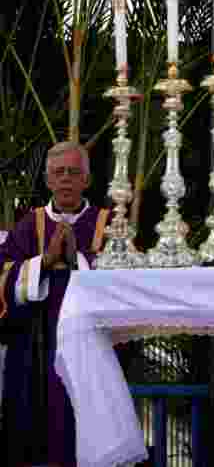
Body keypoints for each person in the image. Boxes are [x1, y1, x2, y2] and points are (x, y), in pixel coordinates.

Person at [0, 142, 110, 467]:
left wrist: (77, 259)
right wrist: (44, 262)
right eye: (58, 172)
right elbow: (3, 277)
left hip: (92, 352)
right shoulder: (27, 224)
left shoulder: (107, 223)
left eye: (74, 172)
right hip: (34, 351)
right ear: (47, 180)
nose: (66, 179)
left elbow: (126, 279)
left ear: (87, 180)